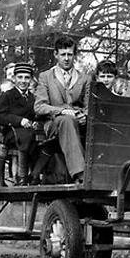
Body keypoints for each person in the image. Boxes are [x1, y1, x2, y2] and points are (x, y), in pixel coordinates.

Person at [34, 36, 90, 183]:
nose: (66, 58)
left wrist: (85, 115)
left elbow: (90, 106)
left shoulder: (84, 78)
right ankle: (81, 173)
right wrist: (61, 111)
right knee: (66, 120)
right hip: (54, 124)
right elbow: (39, 106)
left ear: (74, 55)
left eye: (70, 54)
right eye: (63, 54)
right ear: (56, 54)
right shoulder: (45, 77)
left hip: (78, 122)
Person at [0, 63, 43, 186]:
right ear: (14, 78)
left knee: (39, 139)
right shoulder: (8, 95)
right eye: (20, 77)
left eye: (26, 78)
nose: (23, 81)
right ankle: (22, 176)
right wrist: (19, 120)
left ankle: (36, 174)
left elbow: (35, 114)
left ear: (31, 79)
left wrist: (35, 122)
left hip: (28, 131)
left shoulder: (32, 98)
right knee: (24, 136)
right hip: (10, 132)